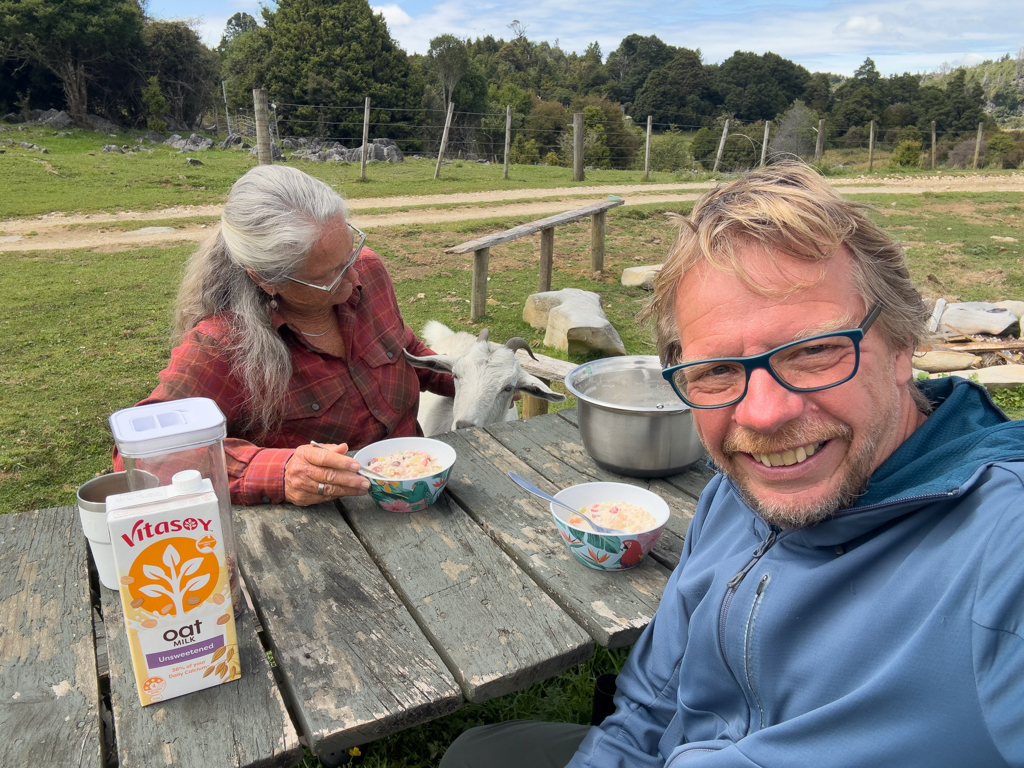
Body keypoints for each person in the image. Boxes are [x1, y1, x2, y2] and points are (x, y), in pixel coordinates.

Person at [439, 162, 1024, 768]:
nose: (765, 416)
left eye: (816, 351)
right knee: (475, 751)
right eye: (718, 370)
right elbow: (649, 701)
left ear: (902, 345)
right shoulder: (732, 494)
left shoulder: (1002, 550)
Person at [114, 164, 454, 506]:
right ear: (266, 280)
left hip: (421, 493)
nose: (354, 276)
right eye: (329, 274)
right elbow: (147, 455)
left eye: (350, 251)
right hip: (328, 529)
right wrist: (283, 472)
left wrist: (470, 376)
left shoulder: (367, 270)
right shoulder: (224, 344)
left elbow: (402, 347)